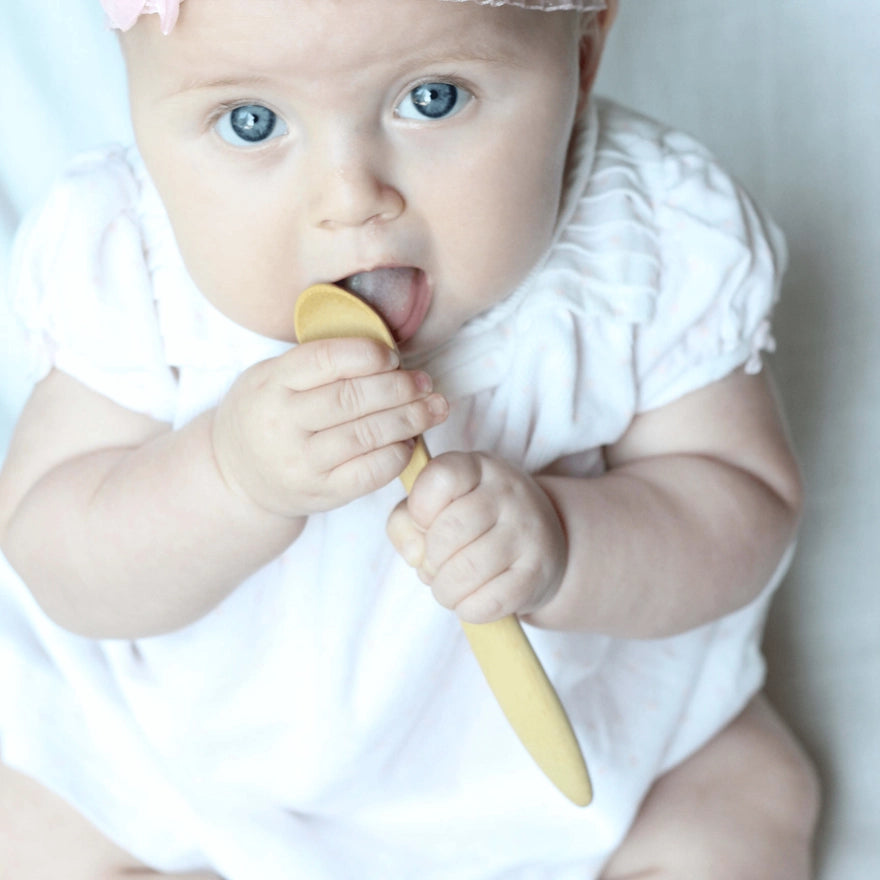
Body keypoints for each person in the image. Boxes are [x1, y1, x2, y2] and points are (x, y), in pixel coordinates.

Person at [0, 0, 819, 876]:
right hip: (183, 752)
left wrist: (568, 543)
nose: (350, 199)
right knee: (35, 822)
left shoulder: (647, 238)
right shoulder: (131, 260)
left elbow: (743, 509)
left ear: (583, 56)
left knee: (749, 800)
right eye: (252, 122)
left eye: (433, 100)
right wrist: (227, 481)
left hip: (594, 738)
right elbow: (56, 551)